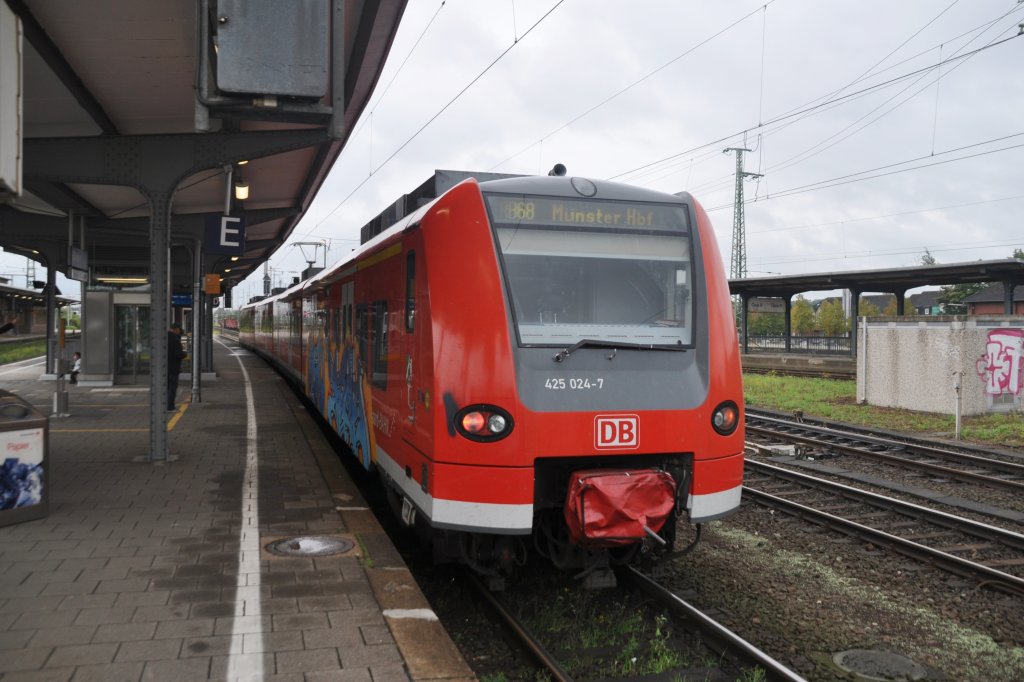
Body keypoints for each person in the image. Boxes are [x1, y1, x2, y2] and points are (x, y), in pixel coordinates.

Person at [167, 324, 186, 410]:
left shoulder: (165, 337)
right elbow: (178, 354)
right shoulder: (175, 339)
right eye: (179, 330)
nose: (180, 332)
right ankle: (170, 406)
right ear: (176, 329)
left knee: (166, 388)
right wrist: (185, 354)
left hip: (164, 368)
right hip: (173, 368)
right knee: (172, 388)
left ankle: (164, 405)